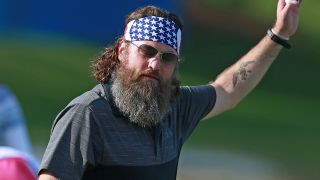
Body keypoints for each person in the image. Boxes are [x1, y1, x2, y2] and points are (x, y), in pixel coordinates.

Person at [39, 0, 302, 179]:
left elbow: (227, 89)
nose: (155, 63)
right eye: (147, 51)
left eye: (167, 57)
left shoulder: (174, 107)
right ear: (122, 51)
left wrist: (279, 34)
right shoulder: (87, 115)